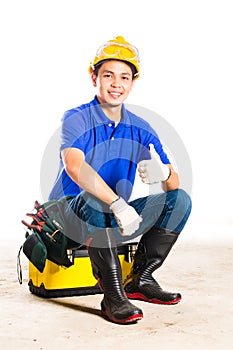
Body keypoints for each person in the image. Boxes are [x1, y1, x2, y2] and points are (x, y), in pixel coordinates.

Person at [48, 36, 192, 324]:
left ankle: (140, 279)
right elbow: (74, 165)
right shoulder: (77, 118)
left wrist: (164, 174)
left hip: (110, 217)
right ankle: (113, 296)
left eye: (125, 77)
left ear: (133, 82)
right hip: (67, 217)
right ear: (94, 78)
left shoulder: (141, 128)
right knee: (95, 196)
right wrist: (116, 203)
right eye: (108, 75)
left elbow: (173, 187)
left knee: (180, 200)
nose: (117, 84)